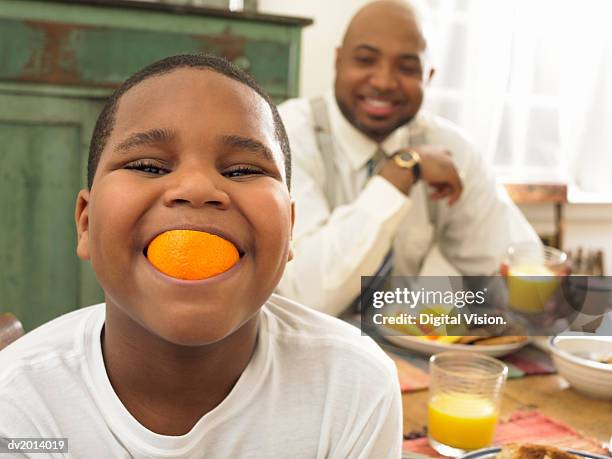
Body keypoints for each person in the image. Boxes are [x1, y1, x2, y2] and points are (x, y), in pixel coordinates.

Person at [0, 54, 402, 458]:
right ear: (86, 223)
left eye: (243, 170)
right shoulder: (19, 405)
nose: (196, 187)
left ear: (290, 229)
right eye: (148, 166)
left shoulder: (353, 386)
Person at [276, 0, 540, 316]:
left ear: (428, 76)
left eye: (406, 68)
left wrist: (534, 295)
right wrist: (400, 172)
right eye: (365, 60)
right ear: (337, 60)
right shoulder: (286, 134)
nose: (384, 82)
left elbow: (512, 264)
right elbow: (307, 296)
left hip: (403, 349)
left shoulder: (449, 147)